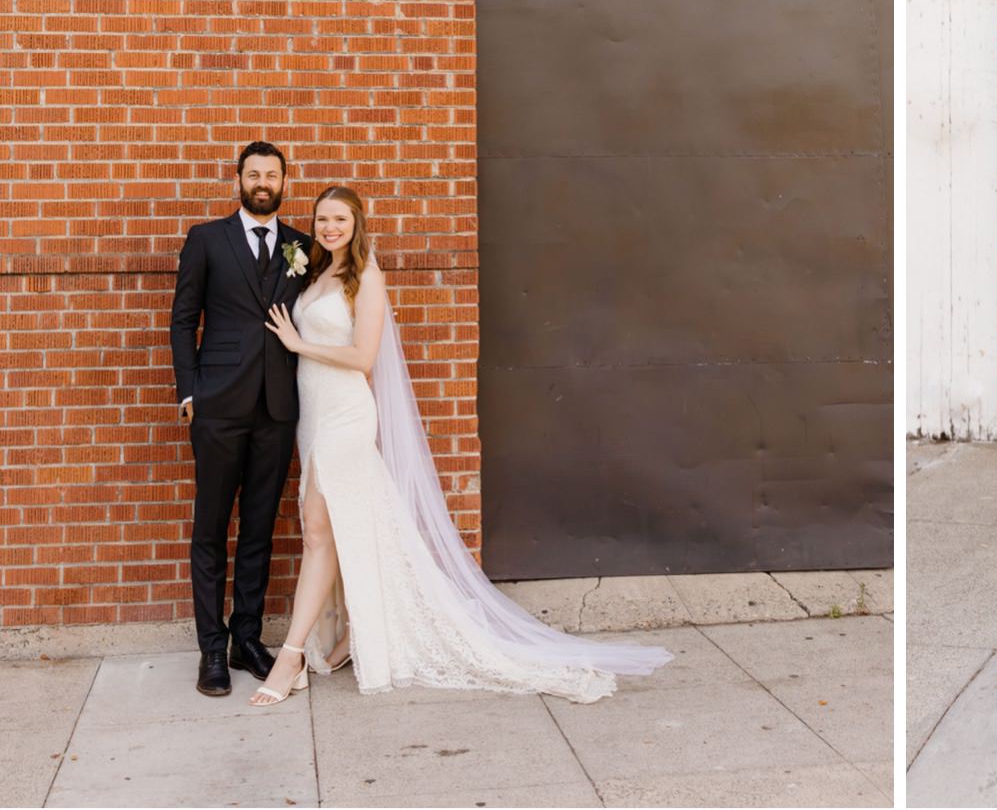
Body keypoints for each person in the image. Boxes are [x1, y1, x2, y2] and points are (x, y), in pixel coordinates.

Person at [246, 184, 671, 706]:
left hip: (345, 417)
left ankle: (290, 656)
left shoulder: (367, 279)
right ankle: (342, 639)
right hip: (312, 417)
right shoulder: (315, 273)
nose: (330, 227)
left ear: (357, 224)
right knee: (328, 531)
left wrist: (298, 343)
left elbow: (363, 358)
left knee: (317, 532)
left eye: (339, 219)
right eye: (322, 219)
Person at [170, 141, 313, 697]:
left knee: (258, 528)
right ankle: (211, 649)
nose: (261, 182)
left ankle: (246, 639)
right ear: (238, 179)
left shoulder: (302, 244)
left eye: (271, 175)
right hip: (218, 406)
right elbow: (184, 320)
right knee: (210, 529)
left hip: (277, 408)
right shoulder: (207, 239)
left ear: (283, 182)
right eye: (252, 174)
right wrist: (189, 391)